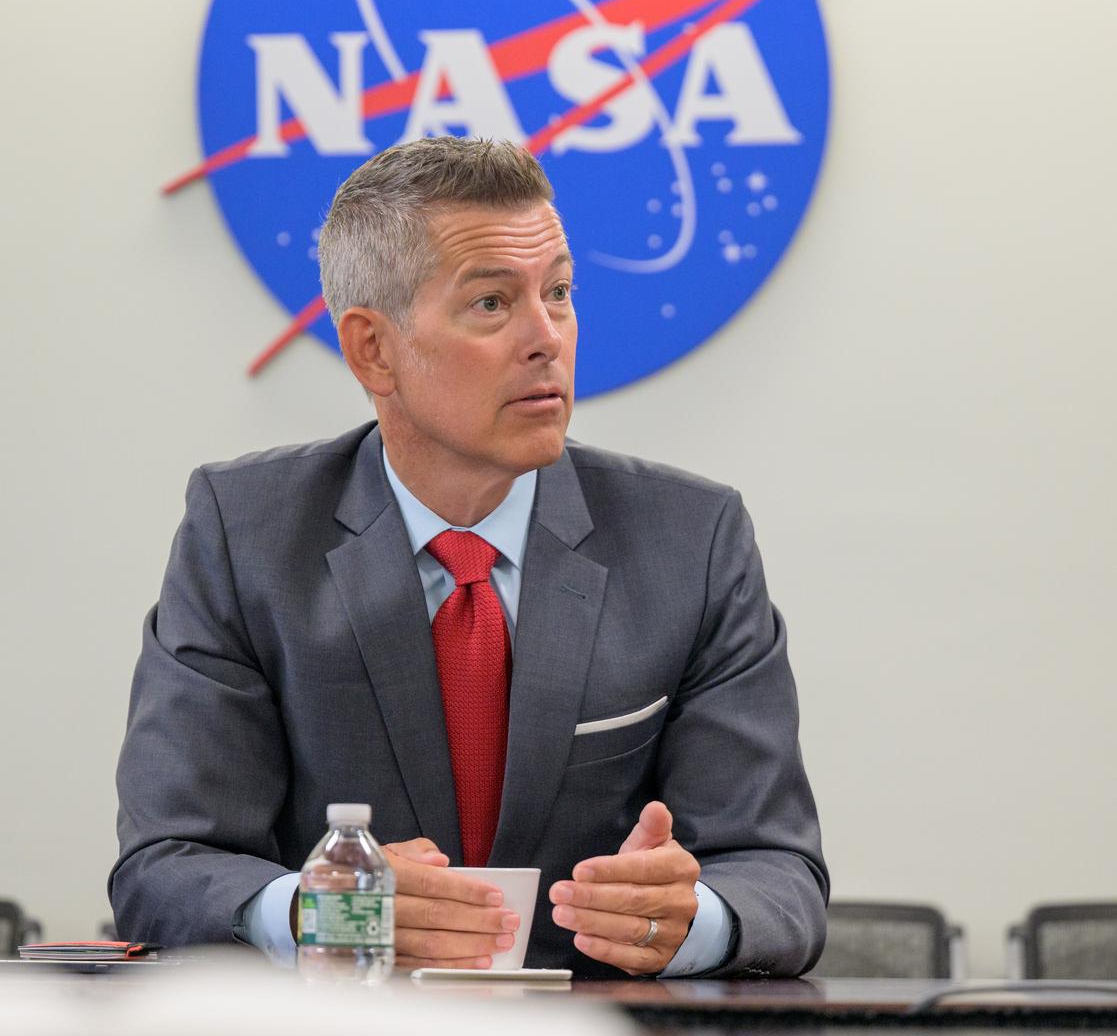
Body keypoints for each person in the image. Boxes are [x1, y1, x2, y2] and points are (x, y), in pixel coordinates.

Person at [111, 137, 827, 977]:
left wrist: (689, 918)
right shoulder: (248, 534)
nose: (546, 338)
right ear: (372, 349)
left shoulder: (690, 539)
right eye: (491, 303)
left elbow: (780, 876)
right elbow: (164, 867)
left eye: (557, 294)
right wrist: (324, 909)